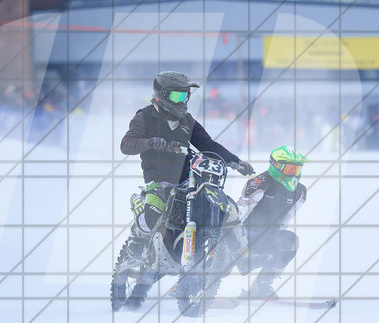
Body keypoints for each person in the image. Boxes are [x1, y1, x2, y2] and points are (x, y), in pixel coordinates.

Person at [119, 71, 254, 263]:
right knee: (154, 215)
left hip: (190, 179)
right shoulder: (145, 117)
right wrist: (150, 142)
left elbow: (209, 146)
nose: (183, 100)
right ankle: (137, 242)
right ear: (162, 94)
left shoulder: (187, 121)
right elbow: (126, 145)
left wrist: (235, 161)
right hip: (160, 179)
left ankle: (241, 258)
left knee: (227, 207)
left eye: (185, 95)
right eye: (177, 95)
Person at [235, 145, 308, 300]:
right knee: (220, 255)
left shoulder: (300, 191)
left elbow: (286, 219)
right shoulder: (260, 183)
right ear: (275, 166)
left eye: (296, 170)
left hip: (267, 237)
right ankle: (193, 282)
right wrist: (233, 243)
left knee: (291, 241)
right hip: (244, 237)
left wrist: (277, 245)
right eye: (289, 169)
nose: (293, 174)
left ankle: (260, 286)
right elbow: (239, 213)